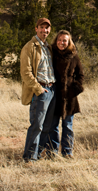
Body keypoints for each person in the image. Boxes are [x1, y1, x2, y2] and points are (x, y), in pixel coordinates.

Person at [21, 18, 56, 162]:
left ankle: (38, 153)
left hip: (51, 90)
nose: (44, 30)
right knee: (37, 126)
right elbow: (26, 72)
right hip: (40, 91)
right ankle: (29, 158)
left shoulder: (48, 47)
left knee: (47, 126)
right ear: (36, 29)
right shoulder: (29, 47)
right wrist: (38, 89)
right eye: (42, 28)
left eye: (47, 28)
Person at [45, 30, 84, 158]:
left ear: (69, 42)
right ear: (56, 41)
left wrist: (75, 88)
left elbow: (80, 75)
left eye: (65, 40)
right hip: (55, 95)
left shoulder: (74, 56)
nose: (62, 43)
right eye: (60, 40)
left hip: (69, 96)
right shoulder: (51, 53)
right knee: (53, 125)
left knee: (68, 125)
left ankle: (67, 152)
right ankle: (52, 152)